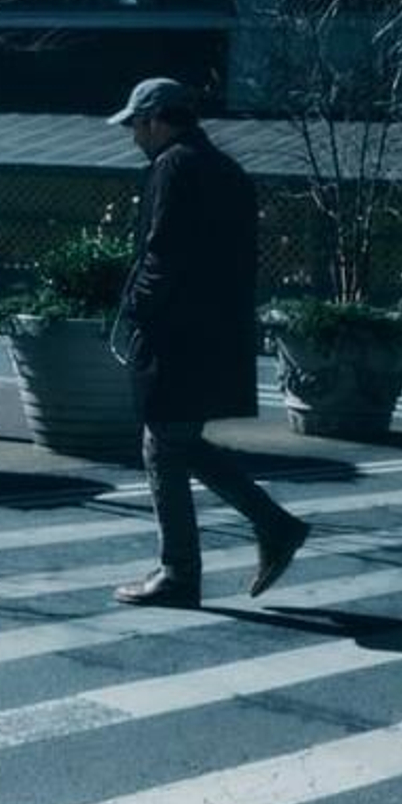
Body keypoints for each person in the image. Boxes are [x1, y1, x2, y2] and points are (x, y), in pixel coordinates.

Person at [108, 77, 309, 609]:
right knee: (175, 441)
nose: (133, 137)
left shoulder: (173, 166)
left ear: (155, 119)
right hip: (215, 332)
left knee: (163, 443)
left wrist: (135, 311)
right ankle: (265, 530)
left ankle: (185, 570)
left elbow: (162, 252)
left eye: (135, 125)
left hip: (176, 332)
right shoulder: (228, 171)